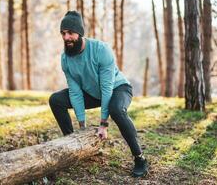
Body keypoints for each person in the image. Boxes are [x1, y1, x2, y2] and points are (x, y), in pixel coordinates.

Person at [49, 10, 148, 177]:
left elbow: (107, 88)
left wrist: (103, 124)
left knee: (116, 110)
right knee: (56, 100)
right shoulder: (65, 59)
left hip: (118, 88)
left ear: (80, 33)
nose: (66, 38)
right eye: (63, 33)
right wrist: (82, 126)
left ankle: (140, 158)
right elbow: (75, 92)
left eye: (70, 33)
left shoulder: (101, 50)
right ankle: (73, 144)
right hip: (92, 92)